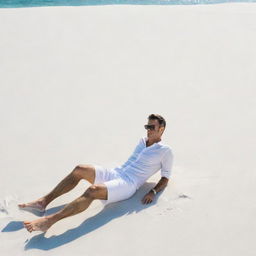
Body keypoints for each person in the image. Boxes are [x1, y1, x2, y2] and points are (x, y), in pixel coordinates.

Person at [19, 114, 174, 233]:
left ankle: (49, 221)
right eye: (147, 126)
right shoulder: (142, 140)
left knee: (92, 191)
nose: (148, 130)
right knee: (79, 169)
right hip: (116, 172)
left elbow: (166, 177)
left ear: (161, 129)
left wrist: (153, 192)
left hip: (128, 183)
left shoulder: (165, 151)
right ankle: (43, 202)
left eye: (152, 127)